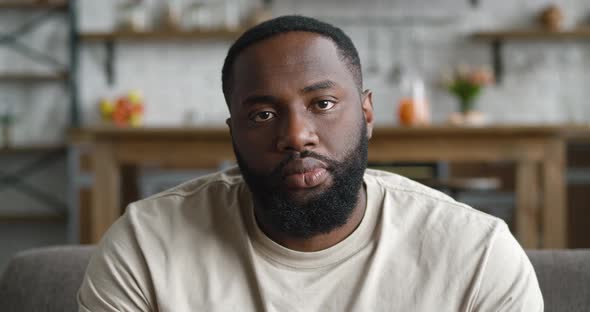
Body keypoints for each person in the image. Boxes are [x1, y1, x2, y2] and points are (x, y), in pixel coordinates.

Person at [78, 15, 543, 311]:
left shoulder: (476, 254)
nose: (296, 135)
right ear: (233, 131)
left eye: (322, 104)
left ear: (366, 113)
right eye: (262, 114)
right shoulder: (145, 246)